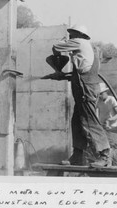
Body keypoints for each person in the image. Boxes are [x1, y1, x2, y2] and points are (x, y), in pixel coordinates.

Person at [47, 24, 111, 167]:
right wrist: (61, 76)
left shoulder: (80, 42)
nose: (70, 36)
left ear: (79, 35)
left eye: (72, 34)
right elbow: (81, 74)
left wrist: (58, 62)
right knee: (77, 122)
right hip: (84, 88)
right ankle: (77, 156)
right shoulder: (87, 50)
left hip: (85, 90)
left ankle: (105, 155)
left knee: (90, 122)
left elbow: (56, 47)